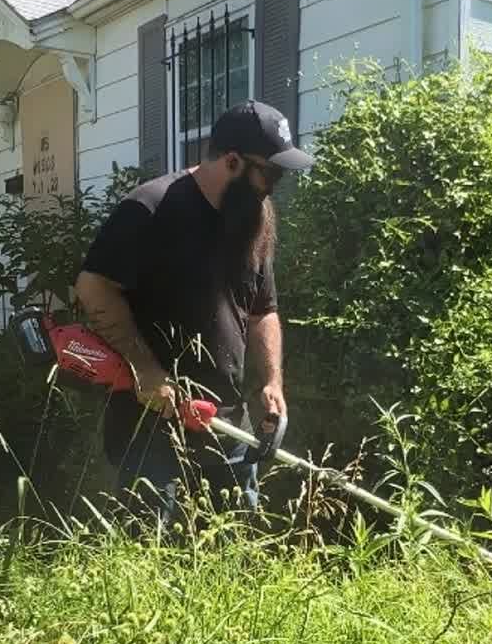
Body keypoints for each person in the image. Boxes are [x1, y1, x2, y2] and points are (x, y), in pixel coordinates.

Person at [73, 100, 313, 525]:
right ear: (233, 161)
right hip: (150, 419)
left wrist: (273, 381)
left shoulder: (255, 217)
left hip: (226, 420)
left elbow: (263, 310)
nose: (273, 187)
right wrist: (145, 369)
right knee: (149, 542)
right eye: (270, 173)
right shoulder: (150, 207)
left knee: (237, 537)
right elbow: (94, 287)